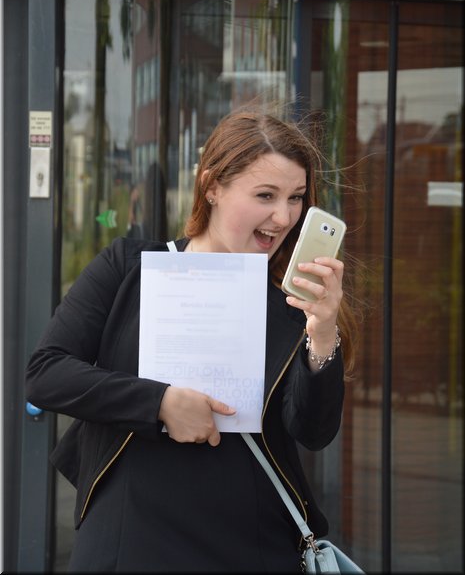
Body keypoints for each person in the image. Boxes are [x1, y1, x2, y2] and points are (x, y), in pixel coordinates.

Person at [25, 110, 357, 573]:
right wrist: (159, 403)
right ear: (212, 186)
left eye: (296, 197)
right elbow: (45, 373)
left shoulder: (290, 300)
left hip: (252, 543)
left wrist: (321, 334)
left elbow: (312, 432)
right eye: (265, 195)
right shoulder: (129, 267)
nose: (283, 217)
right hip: (130, 537)